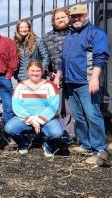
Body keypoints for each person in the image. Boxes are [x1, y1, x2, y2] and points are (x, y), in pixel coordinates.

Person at [54, 4, 109, 165]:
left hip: (86, 82)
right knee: (78, 116)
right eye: (74, 16)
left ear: (86, 15)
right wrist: (58, 75)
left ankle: (100, 151)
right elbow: (63, 59)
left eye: (80, 16)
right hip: (71, 82)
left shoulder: (95, 33)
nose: (77, 19)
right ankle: (86, 145)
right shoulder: (70, 35)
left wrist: (94, 78)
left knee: (92, 115)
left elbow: (101, 56)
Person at [5, 60, 64, 157]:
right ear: (27, 72)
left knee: (57, 133)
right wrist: (32, 120)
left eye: (38, 71)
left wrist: (38, 120)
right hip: (27, 119)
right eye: (32, 71)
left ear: (42, 72)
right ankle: (25, 144)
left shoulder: (50, 85)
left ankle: (47, 145)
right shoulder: (20, 86)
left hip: (47, 120)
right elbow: (17, 106)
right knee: (9, 128)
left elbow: (53, 107)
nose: (35, 73)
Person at [44, 8, 75, 142]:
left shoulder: (75, 34)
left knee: (75, 108)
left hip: (75, 77)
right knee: (61, 108)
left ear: (68, 18)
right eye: (57, 18)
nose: (60, 20)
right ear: (53, 21)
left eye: (63, 17)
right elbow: (44, 57)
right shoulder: (48, 37)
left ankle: (73, 135)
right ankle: (62, 135)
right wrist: (48, 72)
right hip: (56, 79)